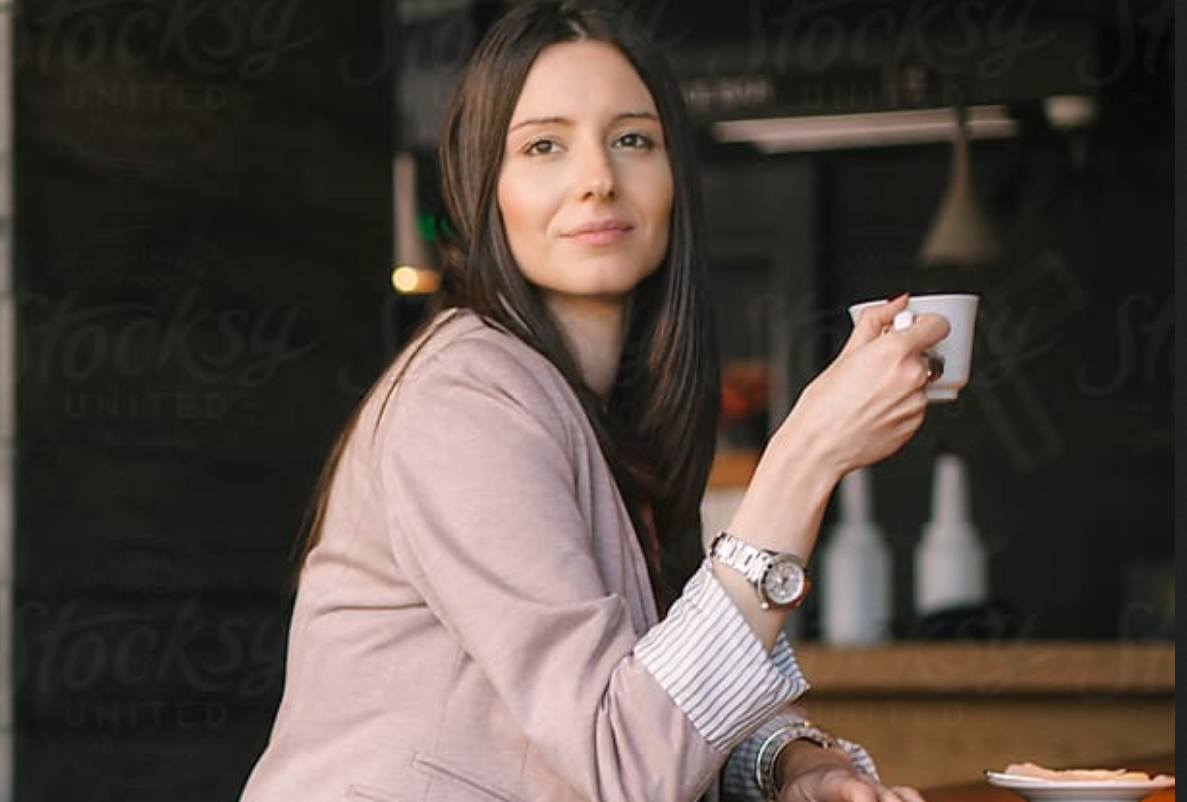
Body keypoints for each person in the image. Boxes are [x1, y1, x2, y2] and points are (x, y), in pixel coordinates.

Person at [239, 1, 949, 800]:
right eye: (543, 145)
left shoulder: (602, 411)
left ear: (674, 178)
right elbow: (625, 764)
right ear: (484, 187)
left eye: (632, 140)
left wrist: (789, 762)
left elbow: (643, 690)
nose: (597, 180)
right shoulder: (465, 400)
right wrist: (806, 454)